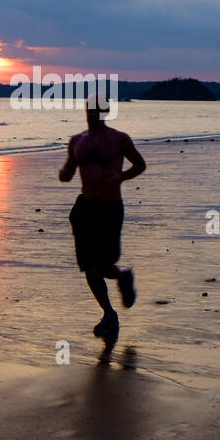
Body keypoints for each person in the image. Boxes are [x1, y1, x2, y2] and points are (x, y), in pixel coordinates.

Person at [59, 96, 146, 338]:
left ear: (105, 111)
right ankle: (109, 314)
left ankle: (122, 276)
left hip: (110, 207)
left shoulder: (119, 139)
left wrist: (120, 177)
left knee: (103, 263)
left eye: (97, 109)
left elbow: (139, 164)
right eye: (89, 109)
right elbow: (68, 170)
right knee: (89, 266)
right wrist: (64, 174)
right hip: (85, 207)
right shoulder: (77, 141)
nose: (91, 113)